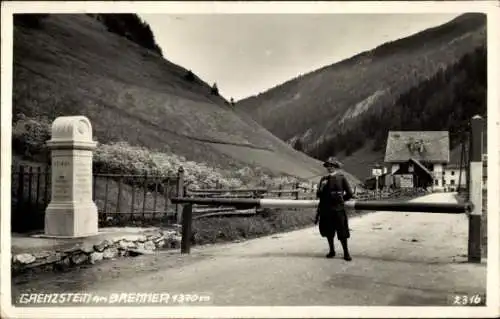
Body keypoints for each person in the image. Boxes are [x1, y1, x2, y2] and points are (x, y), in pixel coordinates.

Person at [314, 157, 354, 261]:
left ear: (336, 167)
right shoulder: (323, 179)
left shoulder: (342, 178)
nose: (330, 167)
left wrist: (341, 200)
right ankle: (332, 251)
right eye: (328, 166)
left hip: (338, 209)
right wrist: (322, 188)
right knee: (328, 232)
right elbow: (318, 195)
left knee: (342, 231)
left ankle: (346, 253)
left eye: (332, 165)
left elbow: (349, 193)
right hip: (326, 210)